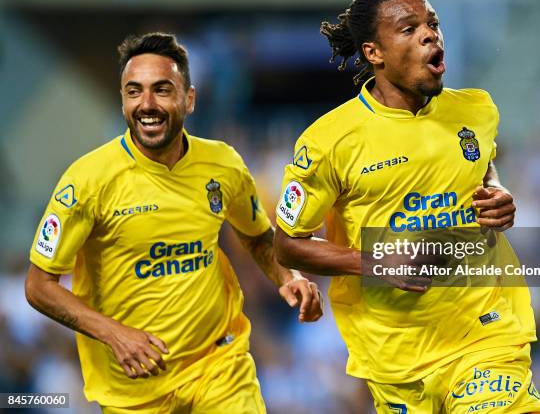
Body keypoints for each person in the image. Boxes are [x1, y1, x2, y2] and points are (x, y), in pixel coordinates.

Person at [274, 0, 540, 414]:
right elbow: (288, 245)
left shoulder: (475, 109)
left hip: (485, 329)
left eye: (433, 24)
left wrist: (497, 194)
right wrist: (375, 262)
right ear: (373, 53)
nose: (429, 35)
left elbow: (482, 168)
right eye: (409, 28)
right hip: (393, 354)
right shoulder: (329, 141)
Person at [25, 32, 322, 413]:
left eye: (162, 90)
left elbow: (259, 238)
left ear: (190, 99)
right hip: (135, 386)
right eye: (134, 92)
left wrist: (289, 277)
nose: (146, 104)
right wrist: (114, 334)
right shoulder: (87, 181)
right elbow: (38, 285)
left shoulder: (223, 163)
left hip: (219, 366)